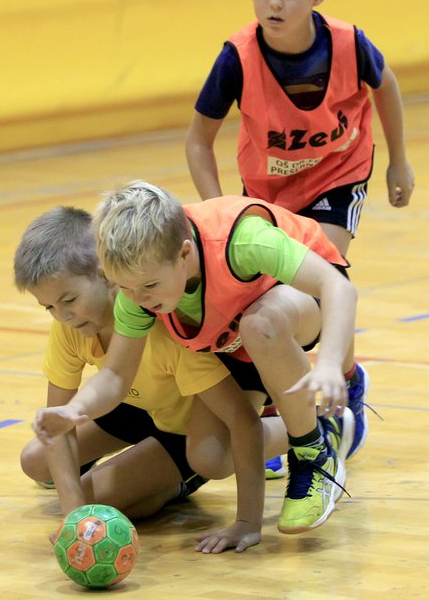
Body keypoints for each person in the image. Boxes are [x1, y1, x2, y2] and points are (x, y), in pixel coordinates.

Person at [184, 0, 414, 467]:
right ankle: (284, 399)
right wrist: (220, 208)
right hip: (266, 192)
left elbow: (388, 87)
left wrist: (399, 161)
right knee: (265, 295)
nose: (274, 2)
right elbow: (198, 140)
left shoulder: (348, 43)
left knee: (321, 275)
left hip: (339, 175)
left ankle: (343, 379)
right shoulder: (236, 58)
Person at [34, 181, 357, 540]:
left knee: (261, 324)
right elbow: (114, 377)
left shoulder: (243, 241)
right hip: (229, 331)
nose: (138, 299)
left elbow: (337, 287)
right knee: (210, 458)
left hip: (297, 306)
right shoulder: (138, 292)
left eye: (149, 287)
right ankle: (326, 424)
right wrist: (72, 410)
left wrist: (329, 363)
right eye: (125, 288)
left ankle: (312, 448)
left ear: (185, 254)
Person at [15, 207, 291, 553]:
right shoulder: (68, 329)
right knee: (37, 461)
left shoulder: (160, 325)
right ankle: (165, 483)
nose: (63, 316)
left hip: (186, 424)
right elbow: (56, 425)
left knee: (209, 457)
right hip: (138, 404)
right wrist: (76, 519)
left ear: (107, 274)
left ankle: (306, 430)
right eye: (49, 308)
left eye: (69, 300)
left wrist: (249, 522)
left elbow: (239, 418)